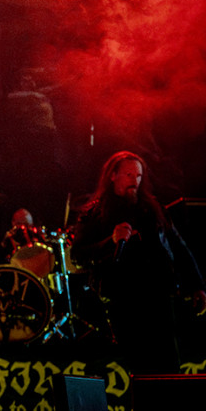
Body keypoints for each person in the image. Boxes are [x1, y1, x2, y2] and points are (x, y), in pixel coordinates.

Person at [71, 150, 206, 373]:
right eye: (129, 175)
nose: (135, 181)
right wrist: (111, 241)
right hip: (123, 300)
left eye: (138, 176)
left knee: (168, 365)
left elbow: (179, 247)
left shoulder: (153, 209)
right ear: (113, 176)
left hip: (159, 297)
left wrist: (196, 285)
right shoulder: (96, 213)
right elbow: (78, 256)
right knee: (138, 365)